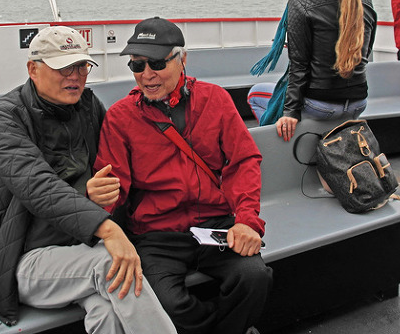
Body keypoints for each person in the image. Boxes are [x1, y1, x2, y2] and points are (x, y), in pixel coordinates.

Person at [0, 26, 176, 334]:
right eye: (63, 68)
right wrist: (107, 227)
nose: (76, 76)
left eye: (81, 66)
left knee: (108, 313)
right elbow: (38, 186)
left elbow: (116, 165)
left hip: (82, 247)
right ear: (33, 69)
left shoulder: (88, 107)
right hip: (24, 260)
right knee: (113, 264)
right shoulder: (2, 120)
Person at [91, 17, 273, 334]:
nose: (147, 74)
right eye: (137, 65)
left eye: (157, 63)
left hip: (216, 225)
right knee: (166, 303)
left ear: (182, 59)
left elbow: (243, 161)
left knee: (254, 278)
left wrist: (246, 221)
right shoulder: (120, 117)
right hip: (156, 234)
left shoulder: (215, 100)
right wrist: (95, 199)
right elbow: (113, 188)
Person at [273, 0, 377, 141]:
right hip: (358, 102)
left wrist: (290, 113)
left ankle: (286, 155)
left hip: (320, 105)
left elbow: (299, 66)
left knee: (258, 95)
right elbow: (366, 51)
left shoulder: (300, 1)